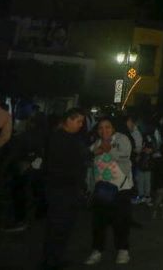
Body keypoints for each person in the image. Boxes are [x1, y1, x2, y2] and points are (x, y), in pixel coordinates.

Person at [41, 107, 89, 270]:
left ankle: (55, 258)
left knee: (62, 227)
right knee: (58, 227)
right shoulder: (61, 138)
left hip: (64, 189)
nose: (81, 125)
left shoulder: (64, 137)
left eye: (82, 122)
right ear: (68, 120)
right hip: (61, 190)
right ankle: (51, 260)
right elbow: (63, 165)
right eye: (78, 121)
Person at [85, 117, 134, 265]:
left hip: (121, 188)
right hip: (101, 189)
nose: (104, 130)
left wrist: (108, 150)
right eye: (100, 128)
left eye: (107, 127)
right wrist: (89, 186)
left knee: (121, 221)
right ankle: (97, 250)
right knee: (99, 222)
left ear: (113, 128)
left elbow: (126, 154)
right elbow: (89, 161)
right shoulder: (97, 143)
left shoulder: (122, 139)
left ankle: (123, 250)